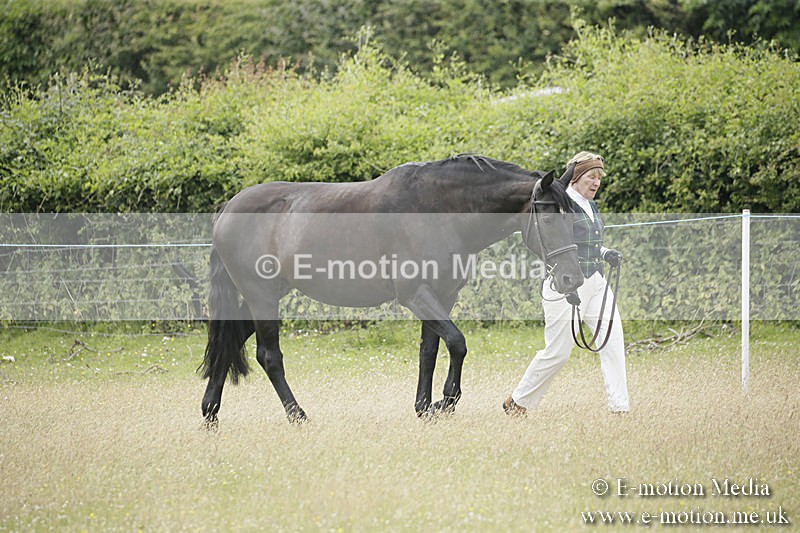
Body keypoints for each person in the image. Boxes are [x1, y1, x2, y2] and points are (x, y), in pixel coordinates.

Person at [504, 151, 630, 416]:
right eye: (591, 177)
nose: (596, 183)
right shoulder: (562, 204)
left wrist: (605, 252)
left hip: (596, 281)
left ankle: (620, 409)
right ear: (576, 176)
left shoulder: (589, 205)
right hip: (567, 286)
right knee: (558, 353)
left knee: (613, 342)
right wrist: (569, 288)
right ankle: (518, 401)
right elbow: (557, 242)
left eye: (599, 178)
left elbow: (586, 243)